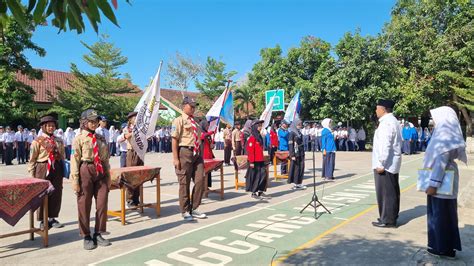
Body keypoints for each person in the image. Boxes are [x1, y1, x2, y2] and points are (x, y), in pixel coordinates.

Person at [423, 106, 466, 259]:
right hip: (447, 177)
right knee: (446, 213)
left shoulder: (444, 134)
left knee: (440, 214)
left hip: (441, 179)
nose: (433, 120)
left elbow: (441, 159)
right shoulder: (448, 132)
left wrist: (433, 184)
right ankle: (447, 247)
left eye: (434, 116)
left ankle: (442, 248)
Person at [71, 109, 111, 250]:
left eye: (95, 121)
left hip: (100, 171)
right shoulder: (79, 138)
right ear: (84, 122)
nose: (94, 124)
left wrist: (108, 176)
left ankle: (98, 232)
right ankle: (86, 235)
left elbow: (105, 158)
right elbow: (74, 160)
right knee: (84, 203)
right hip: (85, 169)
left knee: (102, 203)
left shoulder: (100, 138)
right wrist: (75, 181)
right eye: (91, 121)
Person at [171, 96, 206, 221]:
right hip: (184, 152)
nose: (193, 108)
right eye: (191, 106)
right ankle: (185, 210)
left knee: (200, 179)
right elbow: (174, 140)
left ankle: (195, 208)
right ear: (184, 105)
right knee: (184, 182)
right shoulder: (178, 121)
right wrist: (175, 158)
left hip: (197, 153)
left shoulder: (195, 121)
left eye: (194, 106)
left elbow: (199, 137)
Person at [28, 115, 66, 229]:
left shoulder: (59, 140)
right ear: (44, 127)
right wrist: (32, 174)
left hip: (57, 168)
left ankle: (52, 218)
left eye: (53, 126)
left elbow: (62, 155)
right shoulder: (37, 141)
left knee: (56, 193)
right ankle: (42, 220)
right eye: (48, 126)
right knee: (42, 194)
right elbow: (32, 159)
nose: (51, 128)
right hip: (42, 167)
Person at [372, 99, 402, 228]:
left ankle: (388, 220)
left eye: (377, 108)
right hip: (391, 164)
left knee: (386, 193)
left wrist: (381, 163)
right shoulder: (392, 121)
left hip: (385, 165)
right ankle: (389, 216)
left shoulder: (386, 123)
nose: (376, 111)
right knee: (391, 191)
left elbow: (385, 145)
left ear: (383, 109)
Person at [245, 119, 270, 200]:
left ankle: (260, 191)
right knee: (255, 177)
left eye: (260, 126)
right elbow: (250, 150)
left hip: (260, 160)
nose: (260, 127)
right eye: (258, 126)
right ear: (254, 127)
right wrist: (251, 161)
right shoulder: (252, 137)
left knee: (263, 174)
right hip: (254, 161)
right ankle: (253, 192)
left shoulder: (259, 136)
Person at [123, 111, 143, 207]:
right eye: (135, 118)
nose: (136, 119)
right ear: (130, 120)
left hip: (140, 153)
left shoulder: (141, 128)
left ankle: (136, 198)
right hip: (132, 153)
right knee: (131, 176)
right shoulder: (127, 128)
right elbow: (126, 136)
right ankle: (129, 199)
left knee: (139, 176)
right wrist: (135, 131)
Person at [288, 118, 306, 190]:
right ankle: (295, 183)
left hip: (301, 152)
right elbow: (290, 145)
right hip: (295, 154)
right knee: (296, 169)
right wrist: (292, 155)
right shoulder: (292, 133)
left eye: (300, 124)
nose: (300, 126)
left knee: (301, 168)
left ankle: (299, 182)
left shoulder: (299, 132)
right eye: (298, 124)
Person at [200, 120, 215, 188]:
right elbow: (202, 137)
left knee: (209, 172)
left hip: (209, 155)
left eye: (208, 126)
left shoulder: (208, 134)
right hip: (203, 155)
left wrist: (212, 145)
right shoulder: (201, 132)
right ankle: (203, 186)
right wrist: (210, 132)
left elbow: (210, 143)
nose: (207, 127)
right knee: (203, 172)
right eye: (206, 126)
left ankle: (207, 186)